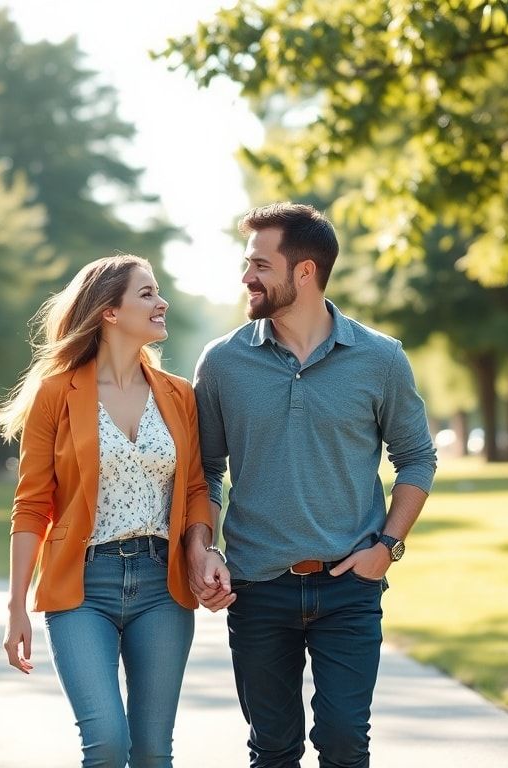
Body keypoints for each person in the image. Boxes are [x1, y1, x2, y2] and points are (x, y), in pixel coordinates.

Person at [192, 203, 437, 767]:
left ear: (304, 272)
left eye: (259, 264)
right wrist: (201, 549)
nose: (246, 277)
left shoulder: (379, 358)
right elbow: (205, 471)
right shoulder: (223, 363)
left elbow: (417, 458)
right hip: (257, 588)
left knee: (346, 742)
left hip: (349, 588)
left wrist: (388, 546)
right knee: (273, 750)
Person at [0, 254, 229, 768]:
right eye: (147, 293)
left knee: (150, 752)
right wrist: (15, 607)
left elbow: (192, 488)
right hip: (82, 585)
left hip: (161, 586)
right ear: (109, 312)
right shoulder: (57, 394)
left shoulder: (178, 395)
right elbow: (31, 505)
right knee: (106, 744)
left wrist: (203, 547)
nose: (161, 302)